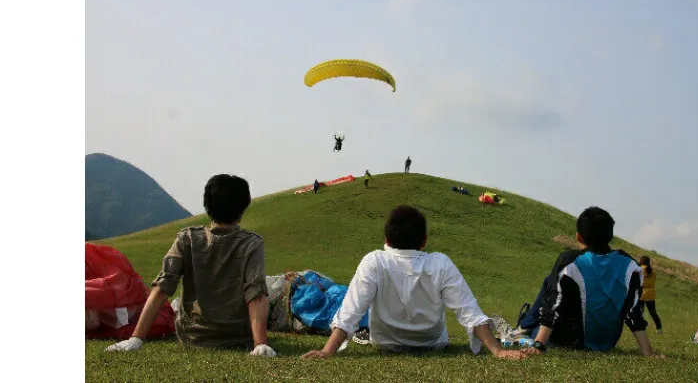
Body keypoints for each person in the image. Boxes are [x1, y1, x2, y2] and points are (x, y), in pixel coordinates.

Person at [301, 205, 530, 360]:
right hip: (432, 344)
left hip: (385, 345)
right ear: (424, 242)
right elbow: (468, 311)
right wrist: (497, 351)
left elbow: (351, 311)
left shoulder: (375, 261)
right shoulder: (440, 263)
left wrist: (327, 351)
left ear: (386, 240)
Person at [106, 174, 276, 357]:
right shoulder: (252, 243)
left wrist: (136, 338)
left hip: (193, 336)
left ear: (207, 205)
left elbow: (163, 287)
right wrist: (260, 344)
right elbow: (255, 294)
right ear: (242, 208)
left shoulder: (188, 238)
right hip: (238, 337)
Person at [522, 207, 663, 358]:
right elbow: (634, 312)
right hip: (607, 343)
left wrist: (539, 344)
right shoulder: (630, 265)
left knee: (549, 284)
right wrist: (648, 353)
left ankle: (523, 327)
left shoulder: (570, 261)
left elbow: (552, 305)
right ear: (610, 235)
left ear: (579, 237)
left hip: (569, 341)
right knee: (552, 281)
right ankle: (523, 326)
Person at [638, 255, 663, 333]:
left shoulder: (639, 270)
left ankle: (643, 325)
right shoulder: (653, 272)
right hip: (651, 294)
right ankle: (659, 328)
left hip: (641, 294)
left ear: (641, 261)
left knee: (639, 312)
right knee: (653, 312)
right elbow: (652, 283)